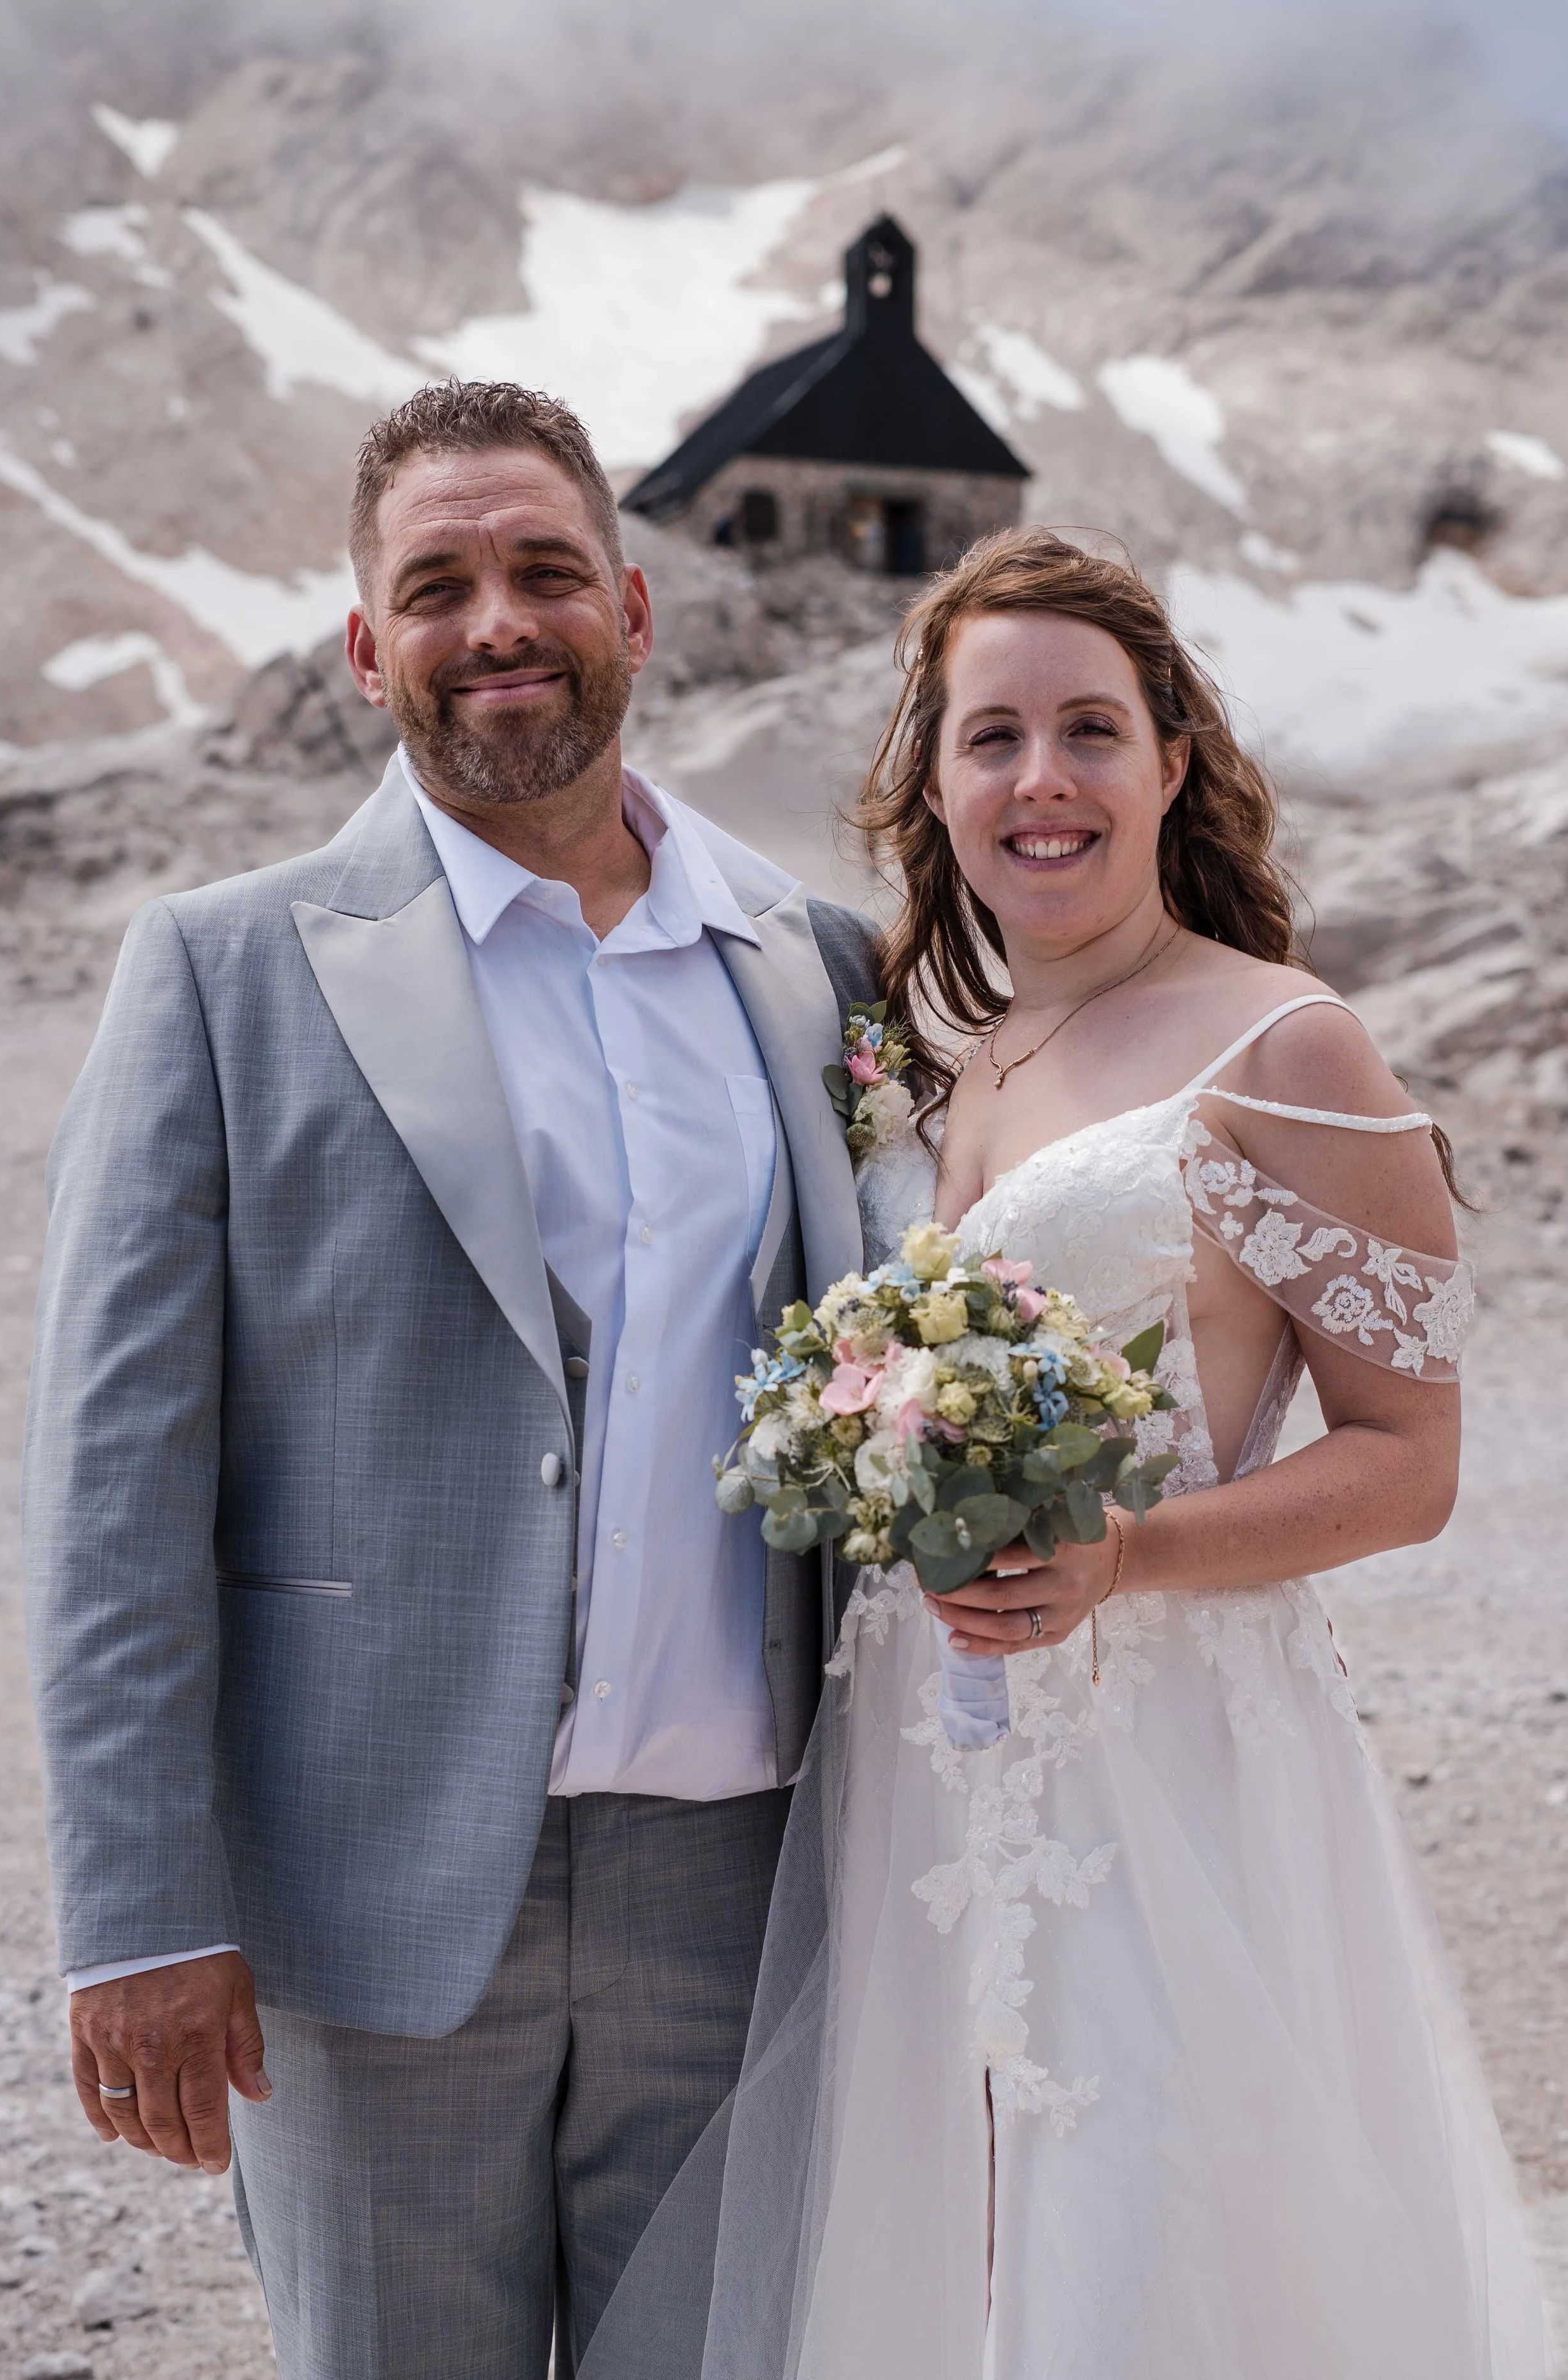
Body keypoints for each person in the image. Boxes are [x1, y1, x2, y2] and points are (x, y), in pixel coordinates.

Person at [579, 529, 1545, 2379]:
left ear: (1170, 762)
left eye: (1089, 730)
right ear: (930, 783)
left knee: (1141, 2236)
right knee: (947, 2254)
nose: (1042, 780)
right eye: (991, 736)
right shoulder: (954, 1046)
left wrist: (1129, 1556)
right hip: (917, 1776)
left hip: (1161, 1763)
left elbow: (1409, 1458)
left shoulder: (1289, 1046)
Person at [20, 378, 876, 2380]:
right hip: (368, 1892)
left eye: (543, 571)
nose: (498, 619)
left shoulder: (810, 960)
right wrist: (141, 1910)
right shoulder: (224, 970)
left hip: (743, 1880)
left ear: (634, 609)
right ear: (363, 644)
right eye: (438, 584)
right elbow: (110, 1481)